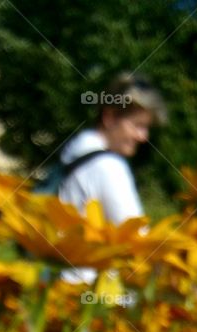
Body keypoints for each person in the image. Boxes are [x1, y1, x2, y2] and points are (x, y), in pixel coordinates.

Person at [59, 74, 166, 286]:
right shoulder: (109, 166)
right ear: (109, 117)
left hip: (58, 284)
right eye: (137, 125)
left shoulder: (73, 152)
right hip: (87, 292)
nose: (143, 137)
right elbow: (139, 245)